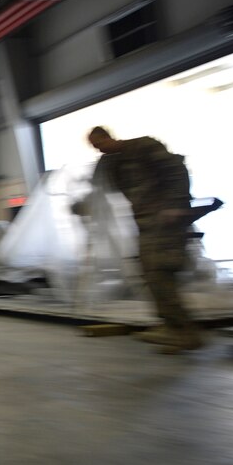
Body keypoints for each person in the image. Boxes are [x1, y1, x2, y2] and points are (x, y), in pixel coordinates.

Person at [87, 126, 201, 352]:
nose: (100, 150)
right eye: (95, 148)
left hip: (166, 218)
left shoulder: (143, 146)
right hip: (147, 222)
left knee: (160, 272)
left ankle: (184, 332)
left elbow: (176, 170)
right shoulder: (115, 163)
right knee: (149, 273)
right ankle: (169, 325)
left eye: (100, 144)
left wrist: (175, 204)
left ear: (108, 137)